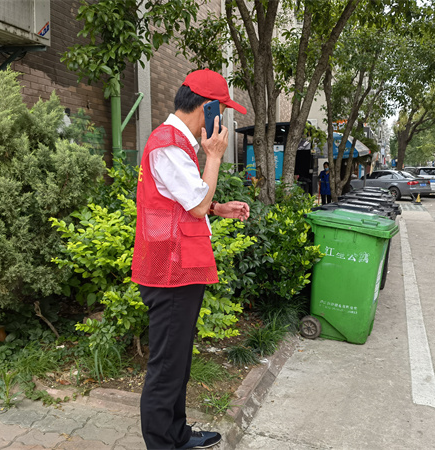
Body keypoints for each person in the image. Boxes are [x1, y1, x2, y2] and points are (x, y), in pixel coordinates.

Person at [131, 69, 250, 450]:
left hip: (178, 269)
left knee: (177, 364)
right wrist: (213, 157)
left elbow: (185, 202)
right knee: (167, 368)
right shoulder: (167, 143)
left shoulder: (175, 143)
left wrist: (217, 207)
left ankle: (176, 436)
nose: (223, 121)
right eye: (222, 111)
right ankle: (163, 444)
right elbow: (194, 203)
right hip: (169, 272)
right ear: (208, 108)